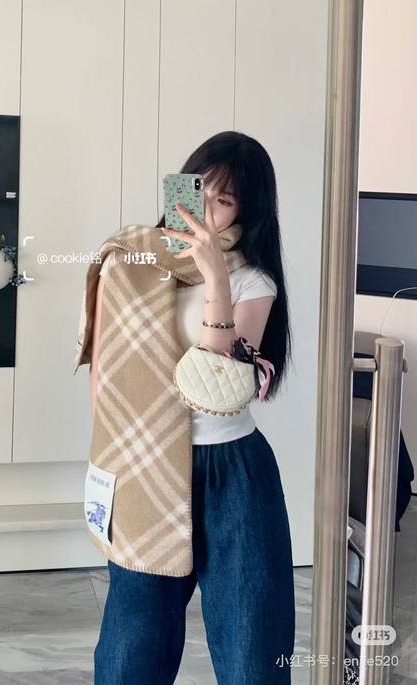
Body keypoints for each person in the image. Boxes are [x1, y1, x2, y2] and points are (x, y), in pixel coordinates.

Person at [90, 131, 296, 685]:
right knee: (131, 649)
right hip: (145, 466)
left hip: (232, 470)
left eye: (223, 200)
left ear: (245, 213)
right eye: (199, 189)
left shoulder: (252, 281)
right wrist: (107, 466)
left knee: (253, 646)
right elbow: (104, 376)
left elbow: (215, 386)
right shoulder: (129, 263)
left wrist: (215, 280)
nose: (204, 209)